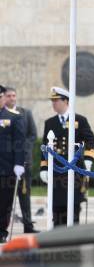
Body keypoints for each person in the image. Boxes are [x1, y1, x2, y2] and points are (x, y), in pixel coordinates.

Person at [40, 87, 94, 226]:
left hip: (74, 170)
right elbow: (45, 147)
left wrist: (88, 159)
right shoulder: (50, 122)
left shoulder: (79, 120)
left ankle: (73, 238)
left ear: (65, 101)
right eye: (52, 101)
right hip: (57, 171)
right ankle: (58, 237)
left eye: (56, 100)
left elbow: (90, 141)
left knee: (74, 206)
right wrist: (44, 167)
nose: (53, 104)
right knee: (57, 207)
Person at [4, 86, 38, 233]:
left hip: (24, 161)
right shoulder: (2, 114)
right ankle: (3, 228)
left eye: (14, 95)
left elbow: (32, 134)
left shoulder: (26, 113)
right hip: (6, 163)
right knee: (5, 197)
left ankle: (28, 225)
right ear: (4, 97)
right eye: (9, 96)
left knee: (24, 195)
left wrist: (22, 149)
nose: (12, 98)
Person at [0, 85, 25, 242]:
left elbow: (19, 142)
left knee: (4, 202)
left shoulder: (14, 117)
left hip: (6, 168)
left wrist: (19, 163)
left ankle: (1, 230)